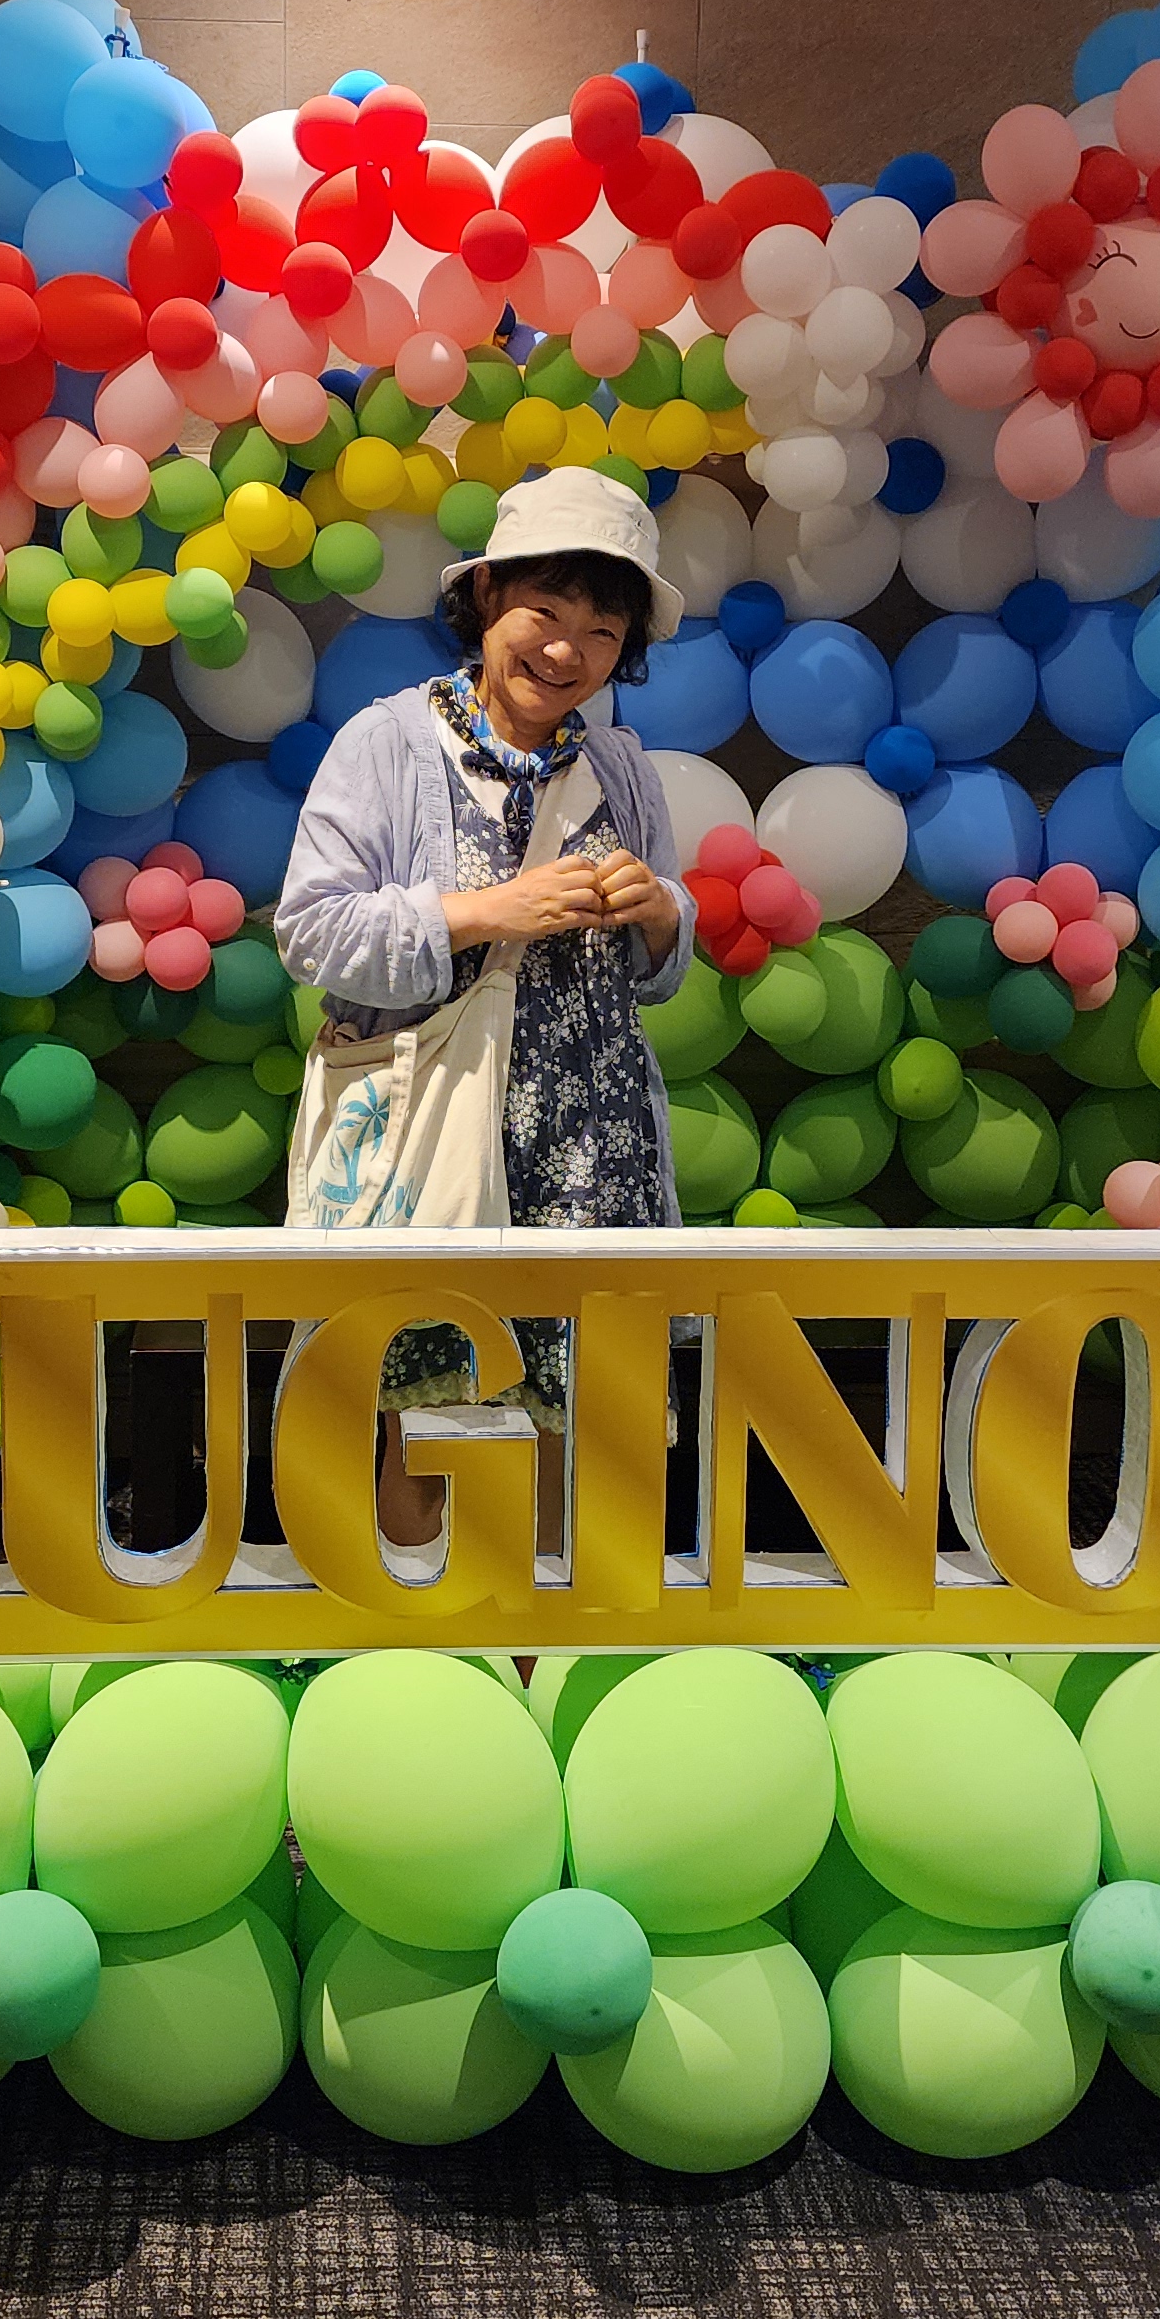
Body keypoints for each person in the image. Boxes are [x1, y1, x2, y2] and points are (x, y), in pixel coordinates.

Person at [275, 468, 695, 1550]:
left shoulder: (620, 768)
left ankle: (548, 1635)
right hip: (435, 1136)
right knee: (430, 1409)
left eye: (601, 633)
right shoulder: (387, 743)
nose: (565, 652)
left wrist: (659, 913)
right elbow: (311, 932)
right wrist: (482, 912)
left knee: (582, 1418)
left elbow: (656, 976)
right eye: (543, 614)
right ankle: (419, 1637)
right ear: (486, 599)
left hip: (593, 1155)